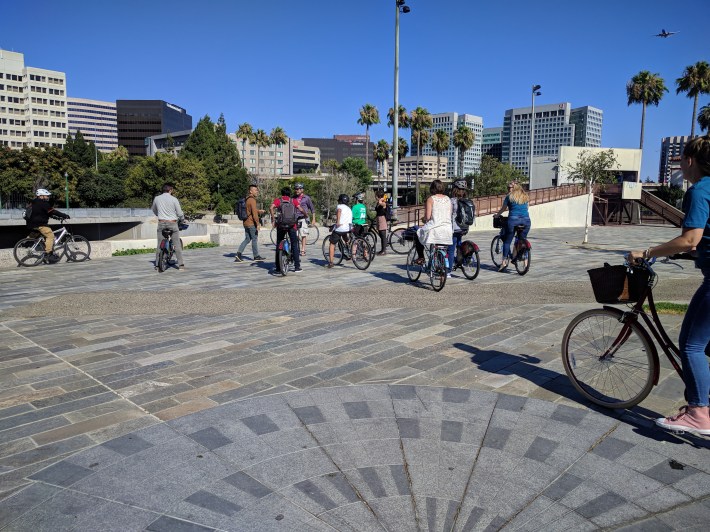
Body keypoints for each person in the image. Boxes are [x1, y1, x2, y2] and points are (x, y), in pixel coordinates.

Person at [628, 134, 710, 435]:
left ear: (689, 160)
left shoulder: (700, 190)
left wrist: (647, 252)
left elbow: (690, 240)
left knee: (691, 344)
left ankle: (699, 413)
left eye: (681, 162)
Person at [413, 179, 453, 266]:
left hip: (434, 228)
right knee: (441, 248)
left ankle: (421, 257)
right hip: (447, 229)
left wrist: (423, 219)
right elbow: (449, 215)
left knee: (417, 234)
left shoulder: (431, 199)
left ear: (432, 188)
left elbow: (427, 217)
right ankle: (442, 271)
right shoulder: (448, 199)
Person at [25, 188, 70, 264]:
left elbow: (47, 213)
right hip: (40, 224)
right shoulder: (43, 203)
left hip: (32, 224)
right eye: (46, 196)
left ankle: (26, 241)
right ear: (41, 196)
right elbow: (53, 211)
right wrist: (64, 215)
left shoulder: (34, 202)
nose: (48, 197)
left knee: (41, 236)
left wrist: (56, 217)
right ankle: (48, 253)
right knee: (50, 236)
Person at [494, 182, 530, 271]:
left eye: (509, 188)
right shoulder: (525, 196)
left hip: (513, 220)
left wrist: (497, 215)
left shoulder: (509, 196)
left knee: (507, 241)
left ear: (514, 189)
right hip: (526, 220)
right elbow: (527, 208)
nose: (508, 189)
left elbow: (503, 208)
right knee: (522, 241)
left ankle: (504, 263)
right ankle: (525, 264)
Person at [270, 187, 306, 274]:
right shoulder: (293, 200)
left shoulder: (278, 200)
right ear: (289, 193)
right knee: (294, 244)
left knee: (279, 244)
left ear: (282, 193)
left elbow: (271, 207)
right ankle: (297, 267)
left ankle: (278, 268)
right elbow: (300, 209)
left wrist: (273, 219)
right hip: (292, 225)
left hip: (281, 225)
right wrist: (305, 215)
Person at [152, 183, 186, 271]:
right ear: (171, 190)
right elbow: (179, 213)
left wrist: (159, 214)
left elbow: (154, 210)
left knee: (159, 244)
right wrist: (182, 220)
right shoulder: (174, 199)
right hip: (172, 223)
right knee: (177, 244)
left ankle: (156, 265)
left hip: (161, 223)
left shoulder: (157, 198)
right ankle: (181, 265)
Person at [235, 184, 266, 263]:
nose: (257, 191)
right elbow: (254, 214)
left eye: (257, 190)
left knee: (247, 239)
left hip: (246, 222)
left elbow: (251, 211)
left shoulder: (247, 199)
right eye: (255, 190)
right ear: (250, 191)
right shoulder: (252, 200)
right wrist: (258, 224)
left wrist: (259, 211)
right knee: (254, 239)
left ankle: (238, 254)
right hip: (251, 223)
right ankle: (256, 256)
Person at [448, 180, 469, 278]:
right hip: (464, 227)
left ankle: (448, 272)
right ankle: (462, 261)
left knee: (451, 250)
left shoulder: (452, 201)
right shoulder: (467, 201)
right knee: (459, 246)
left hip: (454, 228)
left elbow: (449, 214)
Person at [326, 194, 353, 268]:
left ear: (340, 201)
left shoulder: (340, 206)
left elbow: (339, 211)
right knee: (345, 236)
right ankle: (349, 248)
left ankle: (331, 262)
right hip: (348, 228)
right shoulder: (349, 208)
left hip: (340, 228)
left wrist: (337, 222)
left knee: (332, 243)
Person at [294, 183, 316, 256]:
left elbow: (312, 208)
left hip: (303, 218)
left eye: (298, 189)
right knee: (295, 235)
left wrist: (313, 219)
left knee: (303, 234)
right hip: (295, 219)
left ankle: (303, 249)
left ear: (302, 190)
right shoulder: (293, 198)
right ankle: (296, 248)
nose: (296, 190)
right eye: (295, 189)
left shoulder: (306, 198)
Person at [374, 190, 388, 255]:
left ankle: (384, 251)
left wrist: (382, 198)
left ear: (379, 196)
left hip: (382, 219)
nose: (375, 197)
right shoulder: (379, 202)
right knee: (381, 235)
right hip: (379, 218)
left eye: (376, 196)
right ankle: (382, 250)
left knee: (383, 235)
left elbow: (381, 203)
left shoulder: (383, 202)